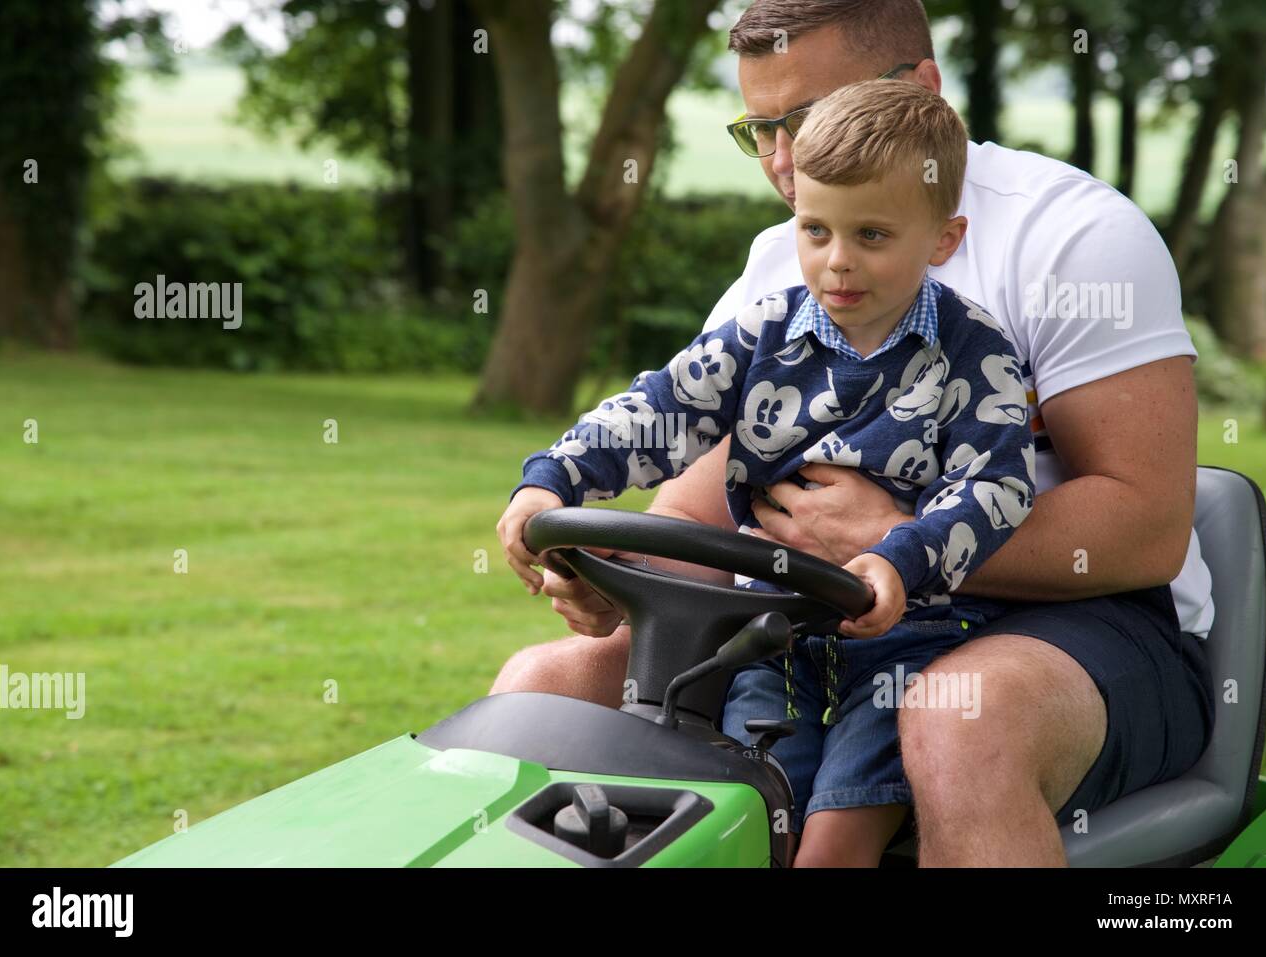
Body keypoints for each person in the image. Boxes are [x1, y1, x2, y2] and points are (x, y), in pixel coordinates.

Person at [492, 0, 1215, 868]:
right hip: (808, 624)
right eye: (758, 130)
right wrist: (620, 580)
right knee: (542, 692)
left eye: (808, 118)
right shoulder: (782, 274)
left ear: (923, 91)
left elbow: (1146, 528)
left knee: (957, 717)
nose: (786, 162)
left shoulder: (1072, 240)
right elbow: (693, 495)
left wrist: (891, 544)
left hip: (1077, 621)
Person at [500, 79, 1037, 866]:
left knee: (832, 845)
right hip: (766, 634)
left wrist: (898, 555)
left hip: (907, 642)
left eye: (873, 236)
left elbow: (993, 489)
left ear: (943, 238)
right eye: (815, 230)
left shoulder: (972, 351)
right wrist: (553, 478)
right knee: (745, 821)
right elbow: (662, 408)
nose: (838, 261)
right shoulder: (764, 332)